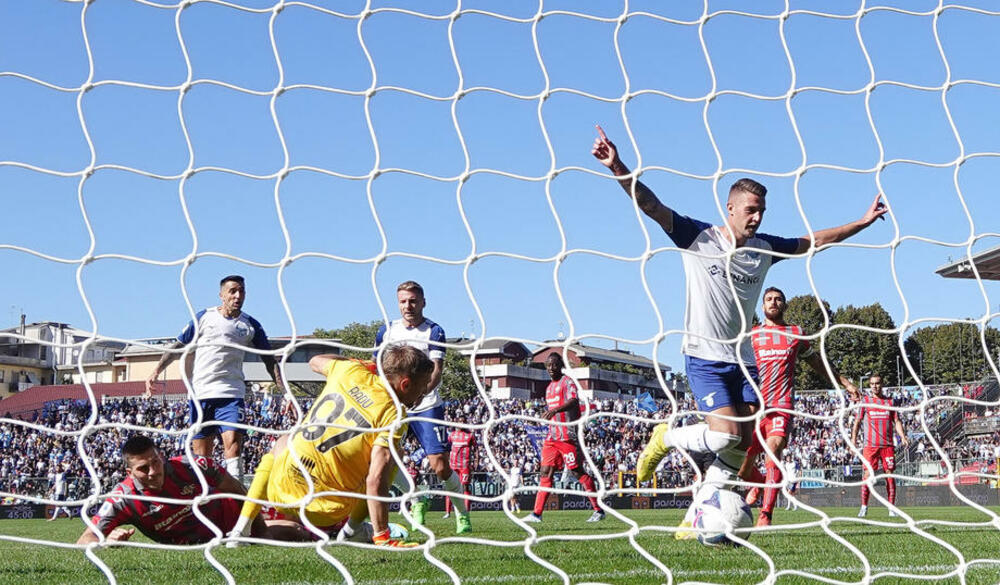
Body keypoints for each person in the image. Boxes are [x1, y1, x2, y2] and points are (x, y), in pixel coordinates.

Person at [591, 125, 887, 533]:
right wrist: (617, 166)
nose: (757, 217)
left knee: (744, 444)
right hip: (704, 356)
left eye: (761, 211)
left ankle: (698, 514)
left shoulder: (764, 249)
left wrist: (862, 223)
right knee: (726, 435)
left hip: (744, 360)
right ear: (729, 208)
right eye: (750, 209)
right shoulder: (697, 237)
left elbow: (814, 240)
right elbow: (653, 206)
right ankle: (666, 438)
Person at [228, 345, 433, 547]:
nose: (424, 392)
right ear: (405, 384)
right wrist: (382, 535)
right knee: (392, 457)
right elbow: (376, 479)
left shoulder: (350, 370)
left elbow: (314, 361)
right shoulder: (394, 415)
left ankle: (241, 528)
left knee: (285, 439)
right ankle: (353, 531)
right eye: (423, 386)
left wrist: (363, 364)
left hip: (279, 488)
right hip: (324, 510)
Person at [144, 275, 283, 483]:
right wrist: (156, 371)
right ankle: (205, 493)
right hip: (201, 393)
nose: (238, 296)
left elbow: (269, 359)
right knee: (202, 456)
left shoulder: (250, 325)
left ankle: (236, 492)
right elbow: (178, 346)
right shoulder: (204, 318)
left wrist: (285, 391)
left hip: (231, 392)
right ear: (221, 295)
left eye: (242, 291)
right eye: (233, 291)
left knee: (233, 444)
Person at [740, 287, 859, 527]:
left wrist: (845, 383)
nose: (774, 302)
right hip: (755, 406)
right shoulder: (752, 335)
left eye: (778, 299)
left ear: (785, 305)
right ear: (762, 306)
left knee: (774, 450)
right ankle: (760, 484)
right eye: (769, 299)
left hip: (782, 405)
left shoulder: (796, 333)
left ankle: (766, 515)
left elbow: (817, 362)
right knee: (742, 469)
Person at [374, 280, 470, 534]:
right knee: (384, 458)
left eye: (413, 301)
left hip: (426, 404)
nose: (408, 306)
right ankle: (417, 498)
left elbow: (436, 370)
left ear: (423, 302)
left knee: (440, 466)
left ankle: (462, 513)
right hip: (394, 407)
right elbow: (377, 368)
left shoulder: (434, 331)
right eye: (403, 301)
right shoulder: (386, 331)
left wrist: (421, 393)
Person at [77, 434, 276, 545]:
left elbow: (239, 491)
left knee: (288, 534)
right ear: (130, 473)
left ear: (161, 456)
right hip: (194, 544)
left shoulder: (193, 466)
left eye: (156, 462)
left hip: (235, 528)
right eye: (143, 469)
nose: (153, 472)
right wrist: (105, 540)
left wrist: (260, 531)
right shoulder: (122, 499)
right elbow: (85, 539)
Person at [523, 353, 605, 523]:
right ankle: (536, 514)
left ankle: (598, 510)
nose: (551, 368)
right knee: (545, 472)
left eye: (554, 365)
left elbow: (574, 401)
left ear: (560, 365)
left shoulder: (567, 382)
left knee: (577, 471)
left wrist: (555, 410)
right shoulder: (548, 388)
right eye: (548, 365)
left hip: (567, 436)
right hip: (552, 436)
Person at [851, 374, 909, 518]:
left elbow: (896, 421)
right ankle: (864, 507)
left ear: (882, 384)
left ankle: (891, 508)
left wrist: (902, 436)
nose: (875, 386)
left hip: (887, 446)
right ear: (869, 386)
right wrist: (853, 440)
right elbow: (857, 422)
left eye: (877, 383)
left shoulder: (889, 402)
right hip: (870, 446)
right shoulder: (865, 401)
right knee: (867, 475)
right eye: (872, 384)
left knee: (889, 475)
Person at [443, 418, 474, 519]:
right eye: (459, 421)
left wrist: (475, 462)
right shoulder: (452, 435)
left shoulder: (470, 435)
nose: (461, 423)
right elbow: (447, 448)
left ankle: (466, 511)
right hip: (453, 465)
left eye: (463, 421)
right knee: (450, 487)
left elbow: (475, 449)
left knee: (465, 487)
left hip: (465, 465)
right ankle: (448, 512)